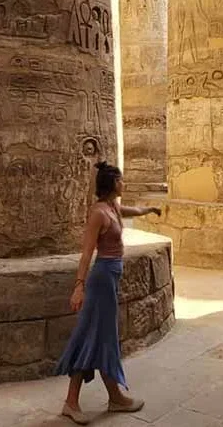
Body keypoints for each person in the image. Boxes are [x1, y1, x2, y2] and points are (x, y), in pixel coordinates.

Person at [54, 162, 162, 425]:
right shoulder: (98, 214)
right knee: (91, 337)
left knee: (102, 338)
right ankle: (73, 402)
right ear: (113, 183)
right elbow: (86, 253)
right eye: (121, 180)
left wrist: (150, 209)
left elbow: (132, 210)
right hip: (100, 280)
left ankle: (114, 396)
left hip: (110, 279)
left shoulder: (113, 207)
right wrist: (79, 286)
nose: (124, 183)